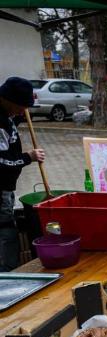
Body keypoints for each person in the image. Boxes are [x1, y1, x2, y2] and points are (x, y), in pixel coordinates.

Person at [0, 77, 45, 272]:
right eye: (21, 106)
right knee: (5, 230)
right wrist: (28, 157)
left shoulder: (7, 114)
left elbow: (13, 119)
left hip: (6, 187)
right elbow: (2, 161)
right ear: (9, 99)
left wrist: (19, 115)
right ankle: (6, 275)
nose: (23, 111)